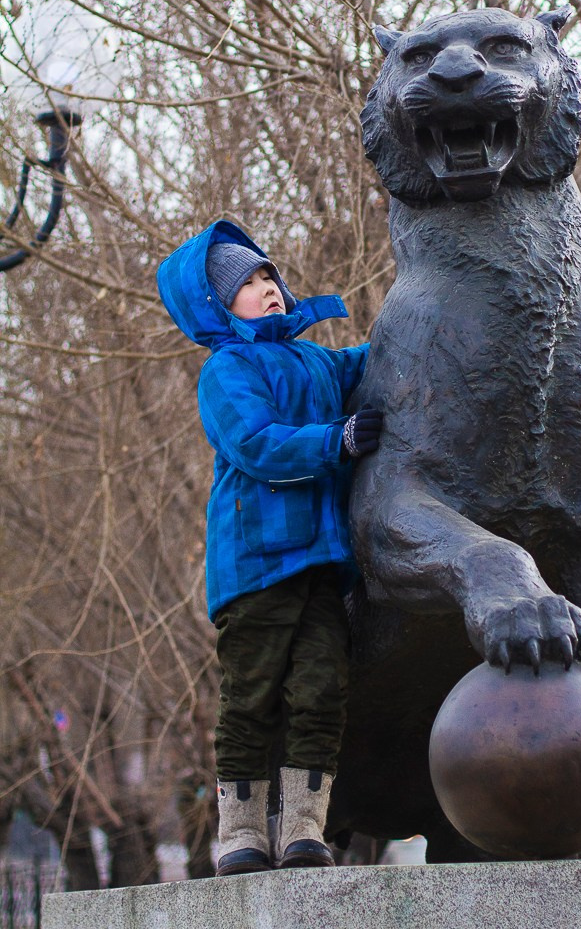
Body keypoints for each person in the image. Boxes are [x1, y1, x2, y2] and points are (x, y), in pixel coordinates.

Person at [157, 220, 381, 875]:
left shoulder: (316, 361)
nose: (267, 288)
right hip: (255, 566)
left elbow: (370, 359)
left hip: (320, 562)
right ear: (217, 305)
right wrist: (332, 442)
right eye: (247, 284)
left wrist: (410, 319)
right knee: (252, 695)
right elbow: (255, 444)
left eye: (267, 276)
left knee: (320, 690)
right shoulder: (227, 370)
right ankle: (241, 835)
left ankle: (304, 831)